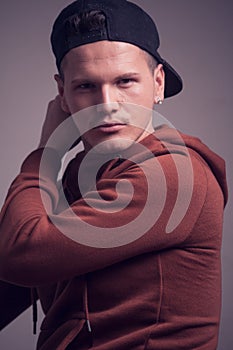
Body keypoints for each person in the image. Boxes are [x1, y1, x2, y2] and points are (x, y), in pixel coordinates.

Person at [0, 0, 228, 349]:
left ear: (158, 84)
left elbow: (21, 256)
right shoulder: (82, 177)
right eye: (86, 86)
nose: (106, 104)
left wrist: (45, 154)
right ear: (63, 94)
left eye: (125, 81)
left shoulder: (172, 176)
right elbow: (12, 279)